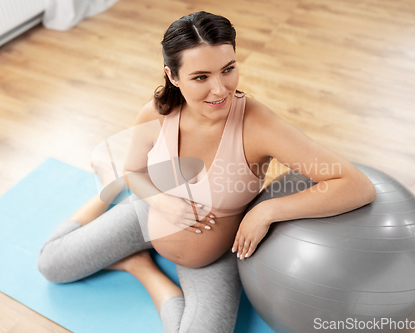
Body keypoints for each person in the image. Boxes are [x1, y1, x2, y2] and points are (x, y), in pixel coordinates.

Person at [37, 11, 377, 333]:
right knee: (51, 265)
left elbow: (356, 185)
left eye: (228, 69)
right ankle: (106, 192)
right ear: (172, 75)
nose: (220, 89)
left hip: (211, 258)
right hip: (148, 217)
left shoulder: (259, 125)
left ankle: (140, 267)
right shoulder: (156, 113)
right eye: (201, 77)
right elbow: (134, 171)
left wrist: (267, 211)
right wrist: (163, 203)